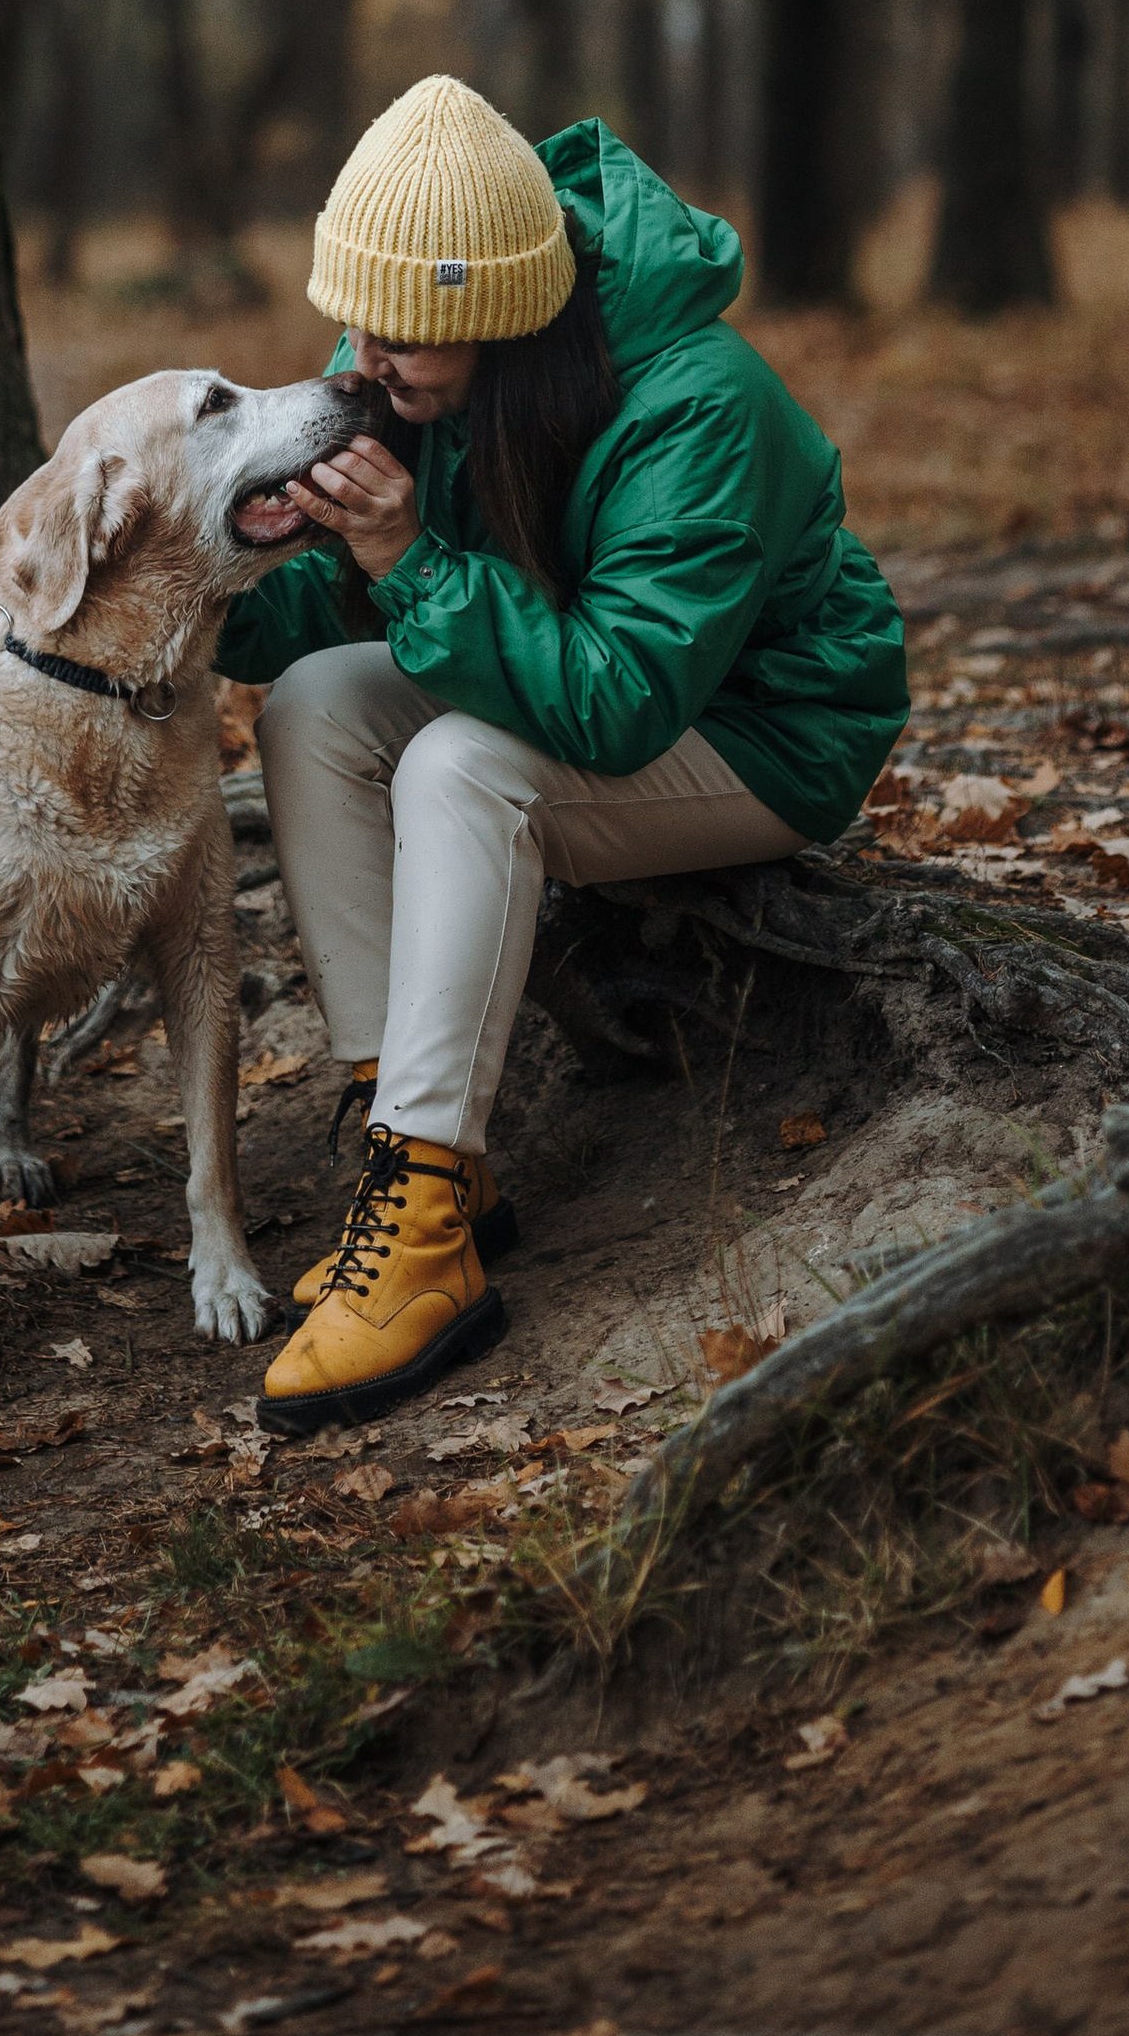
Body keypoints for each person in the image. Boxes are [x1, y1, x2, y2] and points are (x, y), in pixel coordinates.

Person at [219, 73, 907, 1433]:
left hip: (758, 728)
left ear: (499, 316)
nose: (363, 360)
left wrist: (410, 557)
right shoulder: (437, 376)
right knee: (314, 706)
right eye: (356, 319)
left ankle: (424, 1244)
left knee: (460, 769)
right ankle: (423, 1158)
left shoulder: (700, 404)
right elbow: (342, 612)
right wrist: (200, 574)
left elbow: (622, 700)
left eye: (401, 335)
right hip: (569, 679)